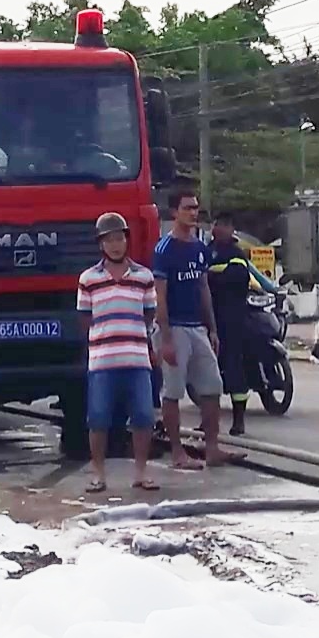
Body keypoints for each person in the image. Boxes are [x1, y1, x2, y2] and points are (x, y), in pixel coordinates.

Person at [78, 211, 159, 494]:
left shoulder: (143, 277)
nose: (115, 245)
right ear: (101, 244)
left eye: (119, 238)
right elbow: (85, 318)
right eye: (109, 240)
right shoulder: (88, 279)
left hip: (137, 359)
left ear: (127, 241)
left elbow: (150, 315)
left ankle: (141, 472)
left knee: (143, 416)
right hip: (102, 361)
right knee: (98, 417)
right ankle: (98, 473)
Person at [151, 189, 222, 471]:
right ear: (174, 212)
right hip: (174, 328)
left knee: (212, 385)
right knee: (173, 390)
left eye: (196, 208)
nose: (193, 213)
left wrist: (212, 328)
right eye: (187, 208)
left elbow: (204, 288)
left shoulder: (200, 248)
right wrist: (165, 338)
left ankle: (212, 447)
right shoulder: (164, 251)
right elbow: (160, 296)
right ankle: (177, 451)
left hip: (197, 327)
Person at [208, 212, 278, 436]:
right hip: (209, 318)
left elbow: (238, 277)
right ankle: (208, 420)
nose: (222, 229)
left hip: (232, 319)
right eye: (219, 224)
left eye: (227, 225)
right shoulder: (206, 251)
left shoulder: (235, 254)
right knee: (207, 372)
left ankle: (239, 420)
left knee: (234, 366)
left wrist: (209, 279)